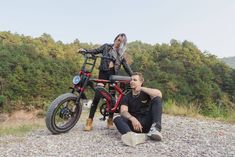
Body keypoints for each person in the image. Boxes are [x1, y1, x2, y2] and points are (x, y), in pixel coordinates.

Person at [79, 33, 133, 131]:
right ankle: (89, 121)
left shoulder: (121, 55)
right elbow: (95, 51)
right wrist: (85, 50)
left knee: (112, 98)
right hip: (103, 73)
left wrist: (133, 76)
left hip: (113, 77)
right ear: (115, 39)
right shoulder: (106, 47)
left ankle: (110, 120)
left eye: (122, 42)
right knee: (97, 96)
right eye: (118, 40)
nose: (119, 42)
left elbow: (126, 66)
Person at [113, 72, 163, 147]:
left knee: (157, 99)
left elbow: (158, 94)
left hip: (147, 123)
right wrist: (132, 118)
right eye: (131, 80)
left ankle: (155, 129)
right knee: (116, 117)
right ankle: (131, 135)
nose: (132, 81)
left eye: (135, 80)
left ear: (141, 82)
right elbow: (123, 111)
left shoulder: (146, 93)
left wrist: (141, 88)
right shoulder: (126, 96)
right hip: (134, 126)